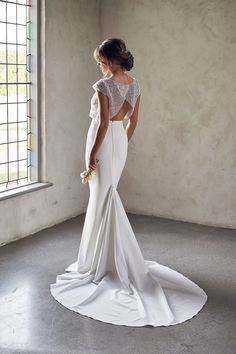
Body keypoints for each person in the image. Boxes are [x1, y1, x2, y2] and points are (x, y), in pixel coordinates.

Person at [50, 38, 207, 327]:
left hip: (104, 140)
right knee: (106, 196)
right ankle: (105, 258)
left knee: (102, 199)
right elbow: (131, 121)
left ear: (110, 61)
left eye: (100, 60)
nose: (98, 65)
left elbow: (103, 123)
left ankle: (100, 264)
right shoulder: (134, 84)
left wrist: (94, 154)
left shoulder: (103, 85)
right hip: (119, 142)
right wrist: (119, 145)